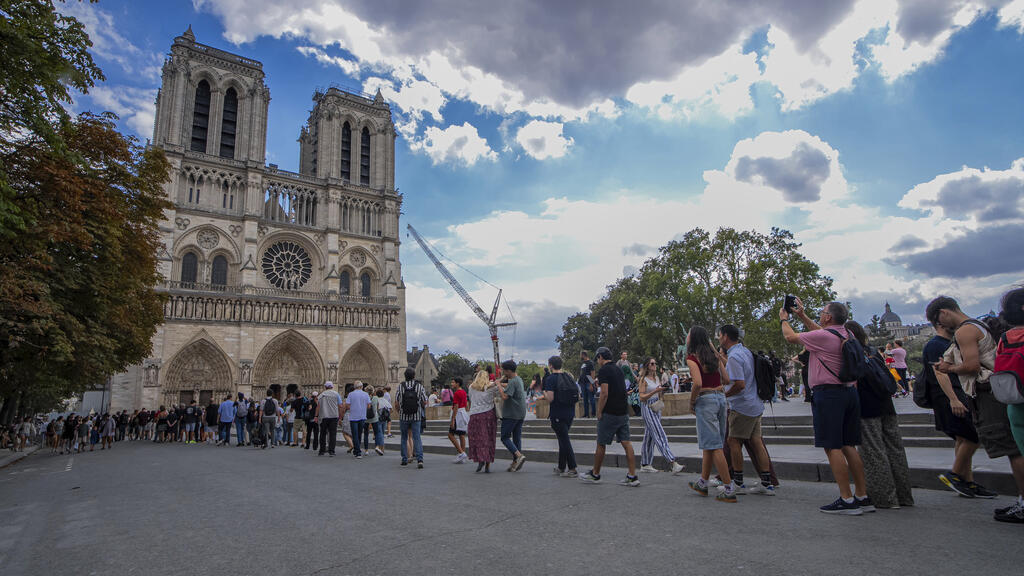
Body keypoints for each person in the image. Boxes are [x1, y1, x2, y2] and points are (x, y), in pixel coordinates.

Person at [929, 295, 1024, 523]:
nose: (940, 326)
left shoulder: (964, 331)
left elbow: (972, 365)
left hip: (989, 393)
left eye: (938, 321)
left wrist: (947, 368)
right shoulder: (980, 324)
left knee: (1013, 449)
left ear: (944, 313)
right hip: (1004, 389)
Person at [782, 298, 869, 515]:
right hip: (849, 392)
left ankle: (846, 499)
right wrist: (802, 316)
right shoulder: (846, 334)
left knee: (832, 446)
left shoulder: (823, 336)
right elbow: (821, 332)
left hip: (828, 394)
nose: (820, 315)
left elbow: (790, 337)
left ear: (829, 316)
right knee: (849, 444)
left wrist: (784, 320)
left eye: (822, 312)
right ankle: (862, 495)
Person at [846, 321, 914, 509]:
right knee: (895, 449)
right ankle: (904, 495)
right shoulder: (872, 351)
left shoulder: (852, 353)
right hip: (886, 404)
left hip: (867, 406)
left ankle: (884, 497)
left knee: (873, 451)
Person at [720, 324, 775, 496]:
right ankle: (767, 482)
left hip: (742, 405)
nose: (719, 338)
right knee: (756, 441)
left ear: (726, 337)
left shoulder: (735, 357)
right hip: (755, 403)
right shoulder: (745, 351)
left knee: (733, 442)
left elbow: (739, 384)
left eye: (719, 335)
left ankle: (738, 482)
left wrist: (726, 395)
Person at [580, 347, 638, 487]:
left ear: (600, 357)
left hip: (610, 412)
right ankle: (632, 475)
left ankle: (596, 473)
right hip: (622, 411)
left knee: (601, 443)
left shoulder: (604, 370)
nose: (598, 361)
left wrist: (599, 411)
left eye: (598, 358)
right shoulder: (617, 369)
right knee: (626, 442)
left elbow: (604, 393)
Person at [637, 357, 684, 475]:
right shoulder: (644, 379)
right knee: (659, 433)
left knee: (650, 436)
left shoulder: (657, 377)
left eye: (655, 363)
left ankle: (645, 463)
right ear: (647, 366)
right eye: (652, 363)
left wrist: (661, 391)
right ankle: (672, 462)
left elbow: (657, 392)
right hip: (647, 407)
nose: (654, 365)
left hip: (656, 407)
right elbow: (641, 397)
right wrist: (654, 391)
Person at [543, 355, 579, 477]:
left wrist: (544, 392)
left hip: (558, 412)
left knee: (564, 440)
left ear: (551, 365)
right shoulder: (568, 377)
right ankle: (561, 466)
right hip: (570, 412)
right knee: (562, 439)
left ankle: (572, 468)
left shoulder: (551, 379)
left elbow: (550, 398)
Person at [466, 369, 499, 473]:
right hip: (488, 414)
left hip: (475, 415)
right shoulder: (490, 388)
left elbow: (471, 399)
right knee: (489, 438)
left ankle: (480, 458)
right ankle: (487, 464)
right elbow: (499, 392)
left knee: (478, 439)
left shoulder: (471, 387)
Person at [498, 360, 527, 471]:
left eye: (504, 370)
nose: (503, 372)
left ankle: (519, 456)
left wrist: (498, 385)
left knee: (505, 437)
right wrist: (501, 383)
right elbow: (510, 386)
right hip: (520, 413)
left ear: (509, 370)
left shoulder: (513, 381)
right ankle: (516, 462)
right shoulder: (518, 379)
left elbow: (505, 396)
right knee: (516, 438)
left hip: (511, 413)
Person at [397, 368, 427, 468]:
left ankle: (404, 459)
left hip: (403, 416)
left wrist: (400, 412)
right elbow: (425, 401)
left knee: (404, 437)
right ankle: (420, 459)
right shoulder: (419, 386)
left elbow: (397, 402)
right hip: (416, 415)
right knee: (416, 437)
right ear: (414, 376)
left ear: (405, 376)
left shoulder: (401, 386)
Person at [345, 381, 371, 459]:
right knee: (359, 434)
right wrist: (362, 408)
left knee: (355, 434)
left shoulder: (351, 394)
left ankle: (358, 451)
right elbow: (369, 406)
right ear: (362, 386)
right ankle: (357, 449)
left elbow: (347, 406)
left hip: (353, 417)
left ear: (354, 387)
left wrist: (354, 408)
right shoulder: (366, 394)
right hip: (362, 416)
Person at [315, 382, 342, 457]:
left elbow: (318, 406)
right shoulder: (336, 394)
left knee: (322, 434)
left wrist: (316, 416)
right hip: (334, 416)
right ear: (332, 387)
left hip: (324, 417)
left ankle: (322, 451)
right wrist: (340, 417)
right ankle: (331, 451)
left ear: (325, 387)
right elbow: (340, 406)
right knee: (333, 434)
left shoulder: (322, 395)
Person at [447, 377, 469, 463]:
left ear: (457, 383)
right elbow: (466, 403)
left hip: (458, 414)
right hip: (463, 412)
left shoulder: (456, 393)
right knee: (461, 435)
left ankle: (461, 453)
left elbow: (456, 406)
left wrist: (453, 419)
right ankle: (462, 454)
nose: (452, 384)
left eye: (453, 382)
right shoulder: (463, 392)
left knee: (450, 434)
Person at [579, 351, 597, 418]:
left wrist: (592, 384)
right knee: (585, 399)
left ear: (583, 355)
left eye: (580, 355)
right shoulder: (583, 363)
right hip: (583, 383)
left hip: (588, 382)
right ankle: (586, 414)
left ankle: (593, 413)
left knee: (591, 399)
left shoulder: (590, 363)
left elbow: (593, 373)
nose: (580, 356)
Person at [370, 388, 385, 455]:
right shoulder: (384, 400)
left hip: (376, 418)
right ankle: (381, 448)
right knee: (381, 433)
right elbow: (391, 409)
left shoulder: (375, 399)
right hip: (383, 419)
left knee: (378, 433)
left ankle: (378, 446)